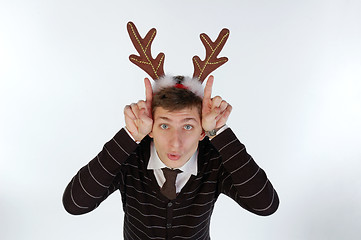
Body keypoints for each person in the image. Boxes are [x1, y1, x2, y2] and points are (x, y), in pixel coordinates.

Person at [62, 74, 279, 240]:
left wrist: (219, 133)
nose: (176, 142)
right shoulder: (129, 156)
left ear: (202, 131)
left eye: (187, 126)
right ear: (151, 128)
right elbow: (75, 204)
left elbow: (265, 205)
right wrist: (129, 137)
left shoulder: (214, 160)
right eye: (164, 125)